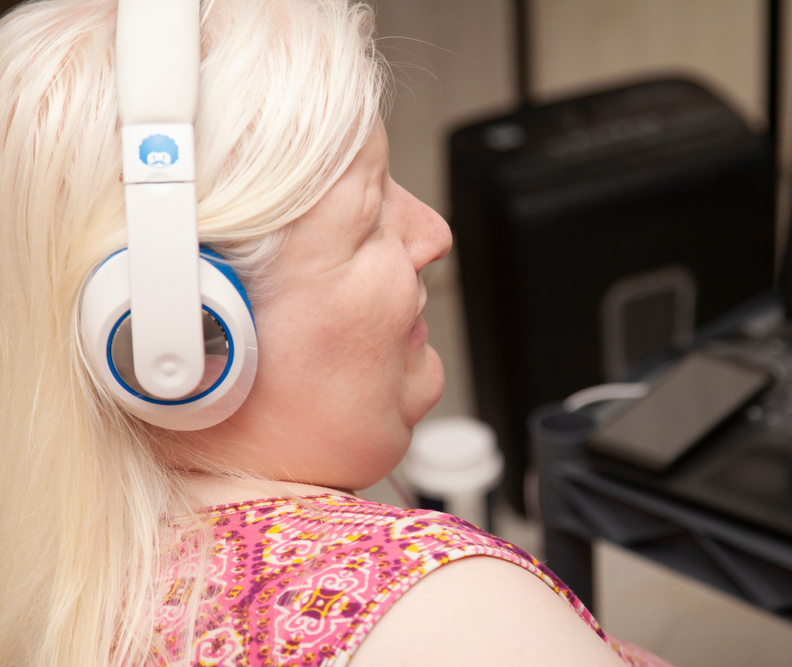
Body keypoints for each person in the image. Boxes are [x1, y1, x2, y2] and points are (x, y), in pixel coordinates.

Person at [0, 1, 672, 666]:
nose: (434, 234)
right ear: (177, 334)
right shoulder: (448, 611)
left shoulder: (57, 581)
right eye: (372, 214)